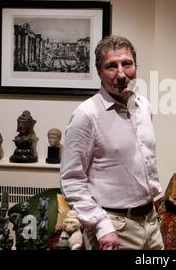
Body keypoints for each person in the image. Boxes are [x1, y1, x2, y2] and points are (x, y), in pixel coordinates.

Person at [60, 35, 163, 250]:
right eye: (111, 66)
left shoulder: (143, 106)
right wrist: (101, 225)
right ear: (99, 72)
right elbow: (71, 179)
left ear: (135, 66)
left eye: (127, 64)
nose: (121, 74)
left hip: (150, 222)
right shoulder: (86, 114)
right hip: (113, 228)